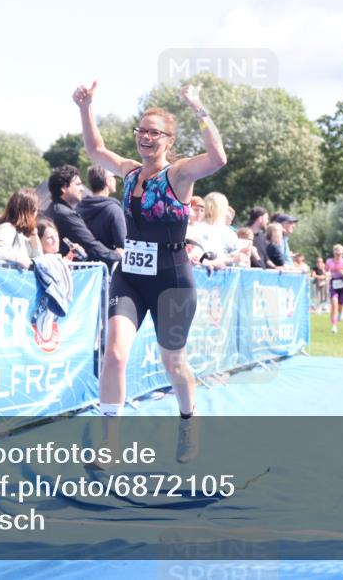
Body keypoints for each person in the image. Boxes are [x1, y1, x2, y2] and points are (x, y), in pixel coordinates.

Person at [74, 79, 227, 435]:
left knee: (173, 363)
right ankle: (109, 441)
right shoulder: (129, 171)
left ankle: (188, 419)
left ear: (169, 141)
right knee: (114, 354)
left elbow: (218, 158)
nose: (145, 137)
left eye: (154, 132)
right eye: (141, 130)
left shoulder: (180, 174)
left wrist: (197, 105)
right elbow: (96, 149)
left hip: (171, 279)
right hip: (130, 275)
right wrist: (86, 108)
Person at [43, 164, 121, 266]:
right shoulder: (65, 214)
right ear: (64, 188)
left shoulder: (54, 209)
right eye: (77, 184)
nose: (82, 189)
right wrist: (117, 256)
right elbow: (90, 245)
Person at [0, 189, 43, 268]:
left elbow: (38, 258)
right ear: (29, 211)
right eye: (36, 209)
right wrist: (17, 259)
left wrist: (34, 235)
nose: (36, 213)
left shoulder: (26, 233)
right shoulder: (6, 228)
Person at [76, 165, 127, 251]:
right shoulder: (113, 210)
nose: (116, 180)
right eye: (114, 177)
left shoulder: (79, 208)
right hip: (110, 258)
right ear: (108, 181)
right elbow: (123, 244)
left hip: (83, 258)